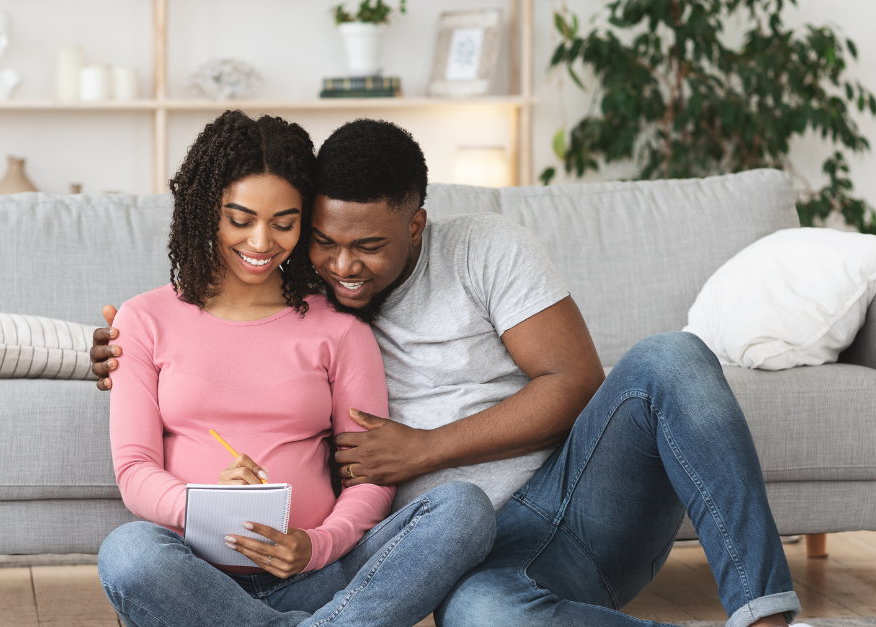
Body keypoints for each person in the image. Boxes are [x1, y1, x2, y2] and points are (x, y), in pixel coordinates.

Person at [94, 118, 817, 627]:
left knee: (671, 357)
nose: (344, 265)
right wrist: (112, 348)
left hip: (572, 500)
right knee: (481, 616)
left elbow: (574, 381)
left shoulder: (481, 251)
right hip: (471, 563)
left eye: (368, 246)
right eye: (321, 240)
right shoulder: (308, 291)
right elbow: (215, 327)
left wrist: (423, 448)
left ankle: (765, 615)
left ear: (417, 224)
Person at [96, 111, 496, 627]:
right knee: (127, 553)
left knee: (464, 511)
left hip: (321, 579)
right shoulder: (145, 319)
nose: (261, 243)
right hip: (196, 579)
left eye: (284, 224)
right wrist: (204, 502)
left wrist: (315, 545)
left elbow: (369, 479)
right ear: (206, 212)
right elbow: (133, 471)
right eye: (240, 220)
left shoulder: (340, 329)